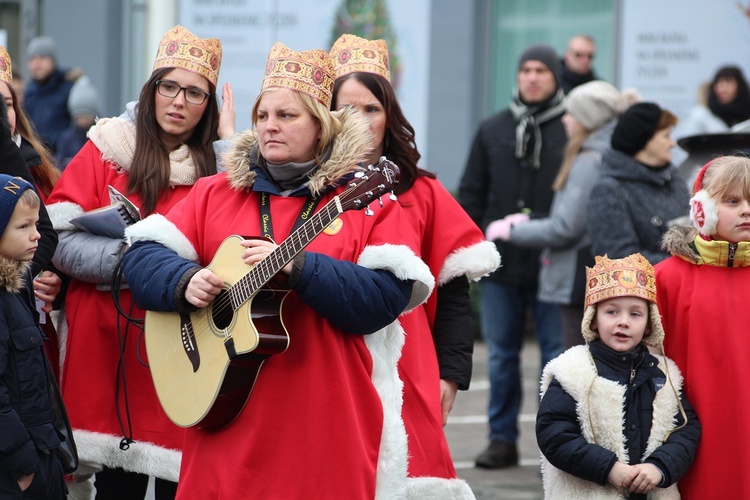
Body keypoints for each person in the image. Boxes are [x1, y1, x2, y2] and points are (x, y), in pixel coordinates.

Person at [120, 41, 434, 499]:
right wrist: (184, 280)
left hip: (325, 431)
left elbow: (383, 300)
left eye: (287, 116)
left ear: (321, 125)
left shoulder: (370, 203)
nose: (269, 127)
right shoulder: (214, 192)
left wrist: (300, 267)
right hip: (223, 423)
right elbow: (142, 255)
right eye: (262, 115)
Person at [45, 25, 231, 499]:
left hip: (184, 348)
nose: (178, 101)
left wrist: (231, 153)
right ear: (152, 90)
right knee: (115, 485)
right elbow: (57, 237)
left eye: (194, 93)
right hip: (105, 345)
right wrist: (135, 264)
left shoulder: (218, 169)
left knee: (182, 480)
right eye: (169, 86)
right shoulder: (107, 148)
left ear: (208, 105)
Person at [329, 33, 500, 494]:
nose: (360, 122)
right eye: (347, 109)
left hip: (410, 364)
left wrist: (452, 372)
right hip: (327, 359)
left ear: (390, 118)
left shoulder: (421, 193)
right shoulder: (306, 192)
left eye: (372, 110)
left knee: (411, 477)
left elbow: (454, 293)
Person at [458, 43, 567, 469]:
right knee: (501, 356)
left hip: (550, 262)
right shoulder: (493, 129)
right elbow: (470, 193)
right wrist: (472, 244)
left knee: (555, 358)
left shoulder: (568, 130)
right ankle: (501, 439)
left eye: (542, 70)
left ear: (555, 77)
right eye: (526, 70)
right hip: (501, 265)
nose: (533, 77)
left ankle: (556, 446)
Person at [537, 253, 700, 499]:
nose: (623, 322)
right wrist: (609, 468)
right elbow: (555, 435)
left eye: (635, 314)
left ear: (649, 324)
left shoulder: (667, 376)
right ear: (593, 320)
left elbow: (686, 431)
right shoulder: (572, 371)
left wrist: (659, 467)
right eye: (612, 312)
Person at [492, 81, 639, 348]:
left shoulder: (590, 161)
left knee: (571, 363)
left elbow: (566, 228)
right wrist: (532, 219)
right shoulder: (607, 154)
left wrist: (512, 231)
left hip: (576, 280)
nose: (565, 119)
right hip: (588, 277)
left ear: (587, 119)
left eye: (571, 114)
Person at [657, 155, 750, 497]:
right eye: (732, 201)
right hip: (691, 432)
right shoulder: (666, 277)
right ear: (702, 208)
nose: (746, 210)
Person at [0, 171, 67, 500]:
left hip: (39, 453)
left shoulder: (17, 288)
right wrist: (24, 465)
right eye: (23, 227)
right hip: (16, 468)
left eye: (36, 224)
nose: (36, 236)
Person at [1, 43, 64, 379]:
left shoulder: (39, 172)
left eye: (7, 105)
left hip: (28, 331)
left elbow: (50, 239)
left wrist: (56, 280)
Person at [588, 102, 690, 265]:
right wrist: (684, 265)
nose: (672, 143)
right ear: (643, 139)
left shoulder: (673, 179)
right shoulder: (609, 190)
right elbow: (618, 258)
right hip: (646, 289)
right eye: (665, 136)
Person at [23, 36, 83, 154]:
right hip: (37, 157)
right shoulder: (28, 94)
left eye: (42, 57)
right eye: (32, 59)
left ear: (53, 61)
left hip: (62, 158)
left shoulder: (69, 88)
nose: (36, 63)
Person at [676, 65, 750, 139]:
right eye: (718, 83)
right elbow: (686, 144)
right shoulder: (701, 115)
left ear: (740, 86)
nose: (722, 89)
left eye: (728, 82)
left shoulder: (746, 116)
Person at [56, 75, 100, 169]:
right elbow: (59, 166)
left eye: (85, 115)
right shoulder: (67, 139)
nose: (82, 121)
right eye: (78, 116)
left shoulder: (101, 137)